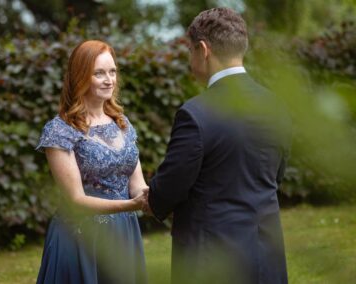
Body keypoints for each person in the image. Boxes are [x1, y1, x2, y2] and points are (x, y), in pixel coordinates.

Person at [146, 7, 291, 284]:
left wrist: (153, 198)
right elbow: (276, 175)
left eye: (190, 51)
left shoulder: (196, 113)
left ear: (203, 49)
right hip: (266, 254)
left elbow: (172, 185)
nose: (190, 60)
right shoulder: (277, 106)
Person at [35, 40, 148, 284]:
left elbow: (137, 185)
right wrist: (132, 205)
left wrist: (160, 195)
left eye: (112, 71)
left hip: (124, 234)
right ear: (80, 77)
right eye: (99, 73)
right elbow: (76, 200)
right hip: (81, 239)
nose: (109, 80)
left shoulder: (122, 123)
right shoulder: (60, 130)